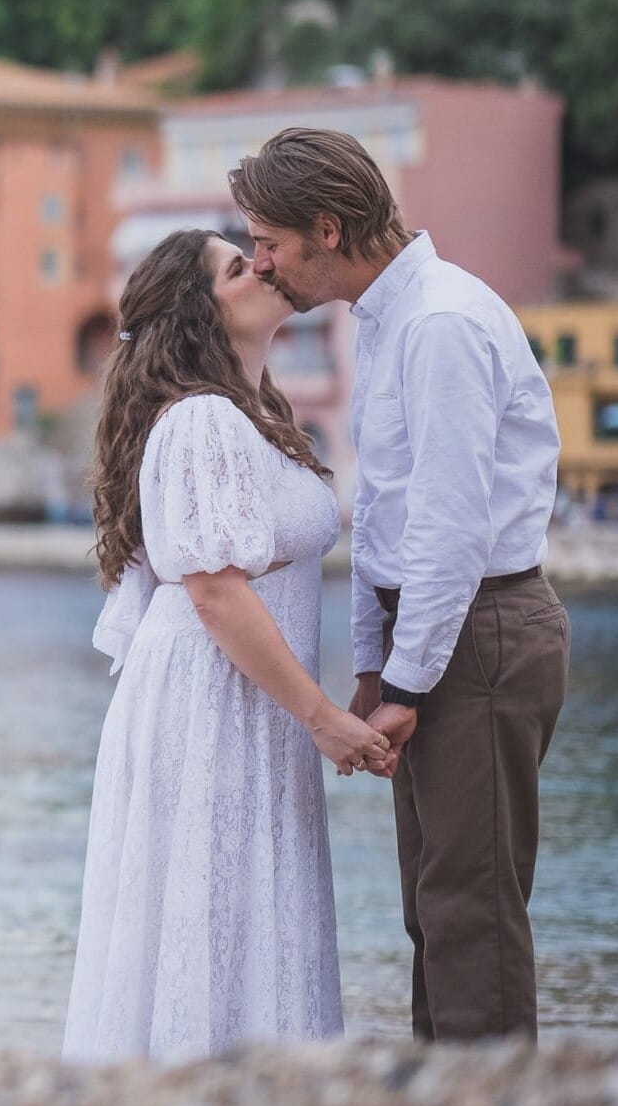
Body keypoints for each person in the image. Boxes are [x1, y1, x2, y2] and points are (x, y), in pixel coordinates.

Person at [231, 127, 568, 1042]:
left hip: (480, 629)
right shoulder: (383, 318)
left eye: (267, 240)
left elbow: (451, 525)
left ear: (327, 229)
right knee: (435, 902)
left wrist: (409, 679)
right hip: (434, 629)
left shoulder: (440, 322)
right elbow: (381, 514)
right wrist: (378, 669)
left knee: (470, 904)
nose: (259, 263)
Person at [64, 228, 393, 1063]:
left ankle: (245, 1094)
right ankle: (195, 1088)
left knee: (243, 905)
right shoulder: (204, 420)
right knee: (207, 905)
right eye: (237, 267)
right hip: (211, 696)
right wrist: (320, 716)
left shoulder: (253, 415)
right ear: (198, 312)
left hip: (249, 693)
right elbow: (212, 587)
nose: (263, 266)